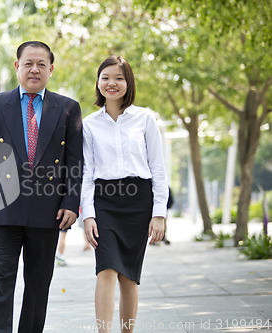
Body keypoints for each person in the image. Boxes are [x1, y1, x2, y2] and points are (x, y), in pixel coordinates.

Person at [0, 41, 83, 333]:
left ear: (51, 69)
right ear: (17, 66)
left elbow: (75, 161)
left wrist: (71, 202)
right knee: (0, 280)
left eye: (41, 64)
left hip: (49, 211)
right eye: (28, 63)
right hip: (3, 208)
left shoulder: (68, 108)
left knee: (38, 284)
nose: (34, 69)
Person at [81, 56, 168, 333]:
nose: (112, 83)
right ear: (98, 82)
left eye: (119, 78)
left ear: (128, 82)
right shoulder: (89, 124)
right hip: (104, 201)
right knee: (105, 269)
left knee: (129, 277)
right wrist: (88, 215)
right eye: (106, 77)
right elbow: (85, 173)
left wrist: (159, 213)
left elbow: (158, 168)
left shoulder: (145, 118)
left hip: (138, 201)